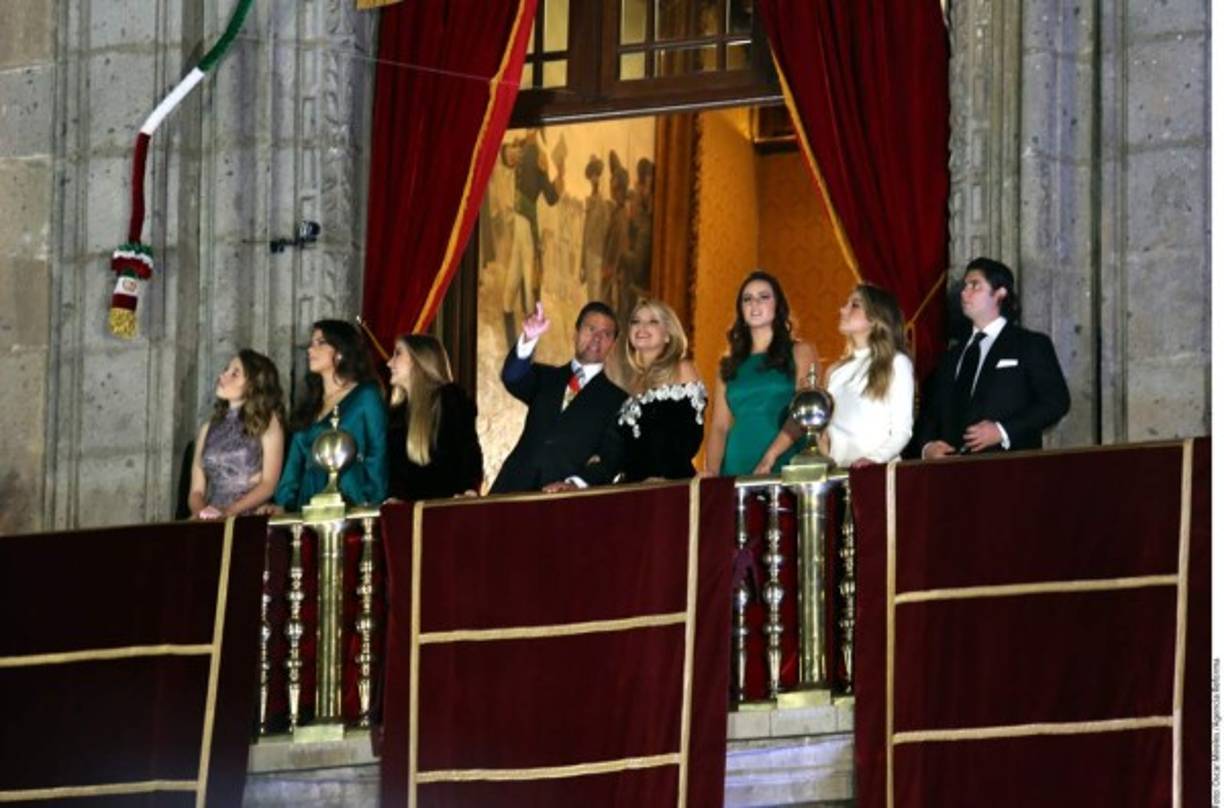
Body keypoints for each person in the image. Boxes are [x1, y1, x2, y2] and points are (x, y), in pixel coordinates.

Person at [913, 257, 1070, 457]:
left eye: (974, 285)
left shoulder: (1029, 344)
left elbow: (1056, 402)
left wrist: (1002, 431)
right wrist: (927, 447)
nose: (964, 292)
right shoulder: (950, 357)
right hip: (951, 474)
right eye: (964, 286)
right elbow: (930, 413)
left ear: (1000, 292)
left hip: (1009, 469)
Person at [490, 301, 627, 494]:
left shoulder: (618, 400)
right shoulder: (546, 378)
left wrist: (576, 483)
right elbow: (513, 377)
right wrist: (528, 339)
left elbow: (610, 458)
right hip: (513, 489)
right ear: (576, 333)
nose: (597, 338)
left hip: (564, 501)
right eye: (591, 329)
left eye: (606, 334)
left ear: (612, 344)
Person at [704, 270, 820, 476]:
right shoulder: (728, 364)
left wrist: (770, 457)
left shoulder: (801, 351)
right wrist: (712, 472)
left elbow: (805, 413)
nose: (754, 304)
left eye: (763, 297)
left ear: (778, 305)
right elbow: (719, 426)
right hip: (736, 462)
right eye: (747, 299)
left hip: (785, 459)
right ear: (740, 309)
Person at [273, 320, 388, 510]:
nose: (310, 350)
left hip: (351, 500)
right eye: (311, 343)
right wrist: (285, 503)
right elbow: (294, 464)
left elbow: (377, 453)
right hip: (307, 504)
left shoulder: (366, 395)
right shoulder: (310, 404)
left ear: (341, 350)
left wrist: (371, 503)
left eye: (320, 342)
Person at [611, 299, 707, 482]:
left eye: (653, 321)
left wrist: (664, 477)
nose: (642, 327)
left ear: (668, 334)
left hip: (669, 487)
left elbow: (691, 434)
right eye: (635, 321)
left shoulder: (682, 369)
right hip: (632, 488)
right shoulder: (634, 382)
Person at [822, 285, 915, 467]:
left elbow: (902, 430)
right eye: (846, 304)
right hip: (839, 474)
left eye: (854, 305)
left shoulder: (896, 363)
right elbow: (825, 430)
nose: (843, 309)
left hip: (875, 471)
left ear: (875, 318)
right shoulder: (835, 371)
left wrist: (874, 459)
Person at [188, 349, 286, 518]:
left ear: (253, 384)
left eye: (234, 373)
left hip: (248, 517)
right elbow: (196, 490)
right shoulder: (208, 427)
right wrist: (202, 514)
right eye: (226, 370)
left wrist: (229, 512)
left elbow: (268, 484)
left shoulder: (268, 421)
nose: (222, 375)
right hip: (210, 519)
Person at [385, 334, 483, 500]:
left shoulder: (450, 398)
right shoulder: (396, 413)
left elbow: (468, 450)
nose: (389, 363)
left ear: (419, 359)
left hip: (448, 508)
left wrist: (469, 490)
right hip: (412, 512)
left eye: (398, 353)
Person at [500, 129, 565, 348]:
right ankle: (518, 347)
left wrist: (560, 170)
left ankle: (524, 347)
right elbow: (552, 196)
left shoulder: (536, 154)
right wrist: (560, 171)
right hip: (523, 221)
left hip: (525, 222)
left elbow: (551, 197)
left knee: (523, 281)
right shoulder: (531, 151)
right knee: (519, 281)